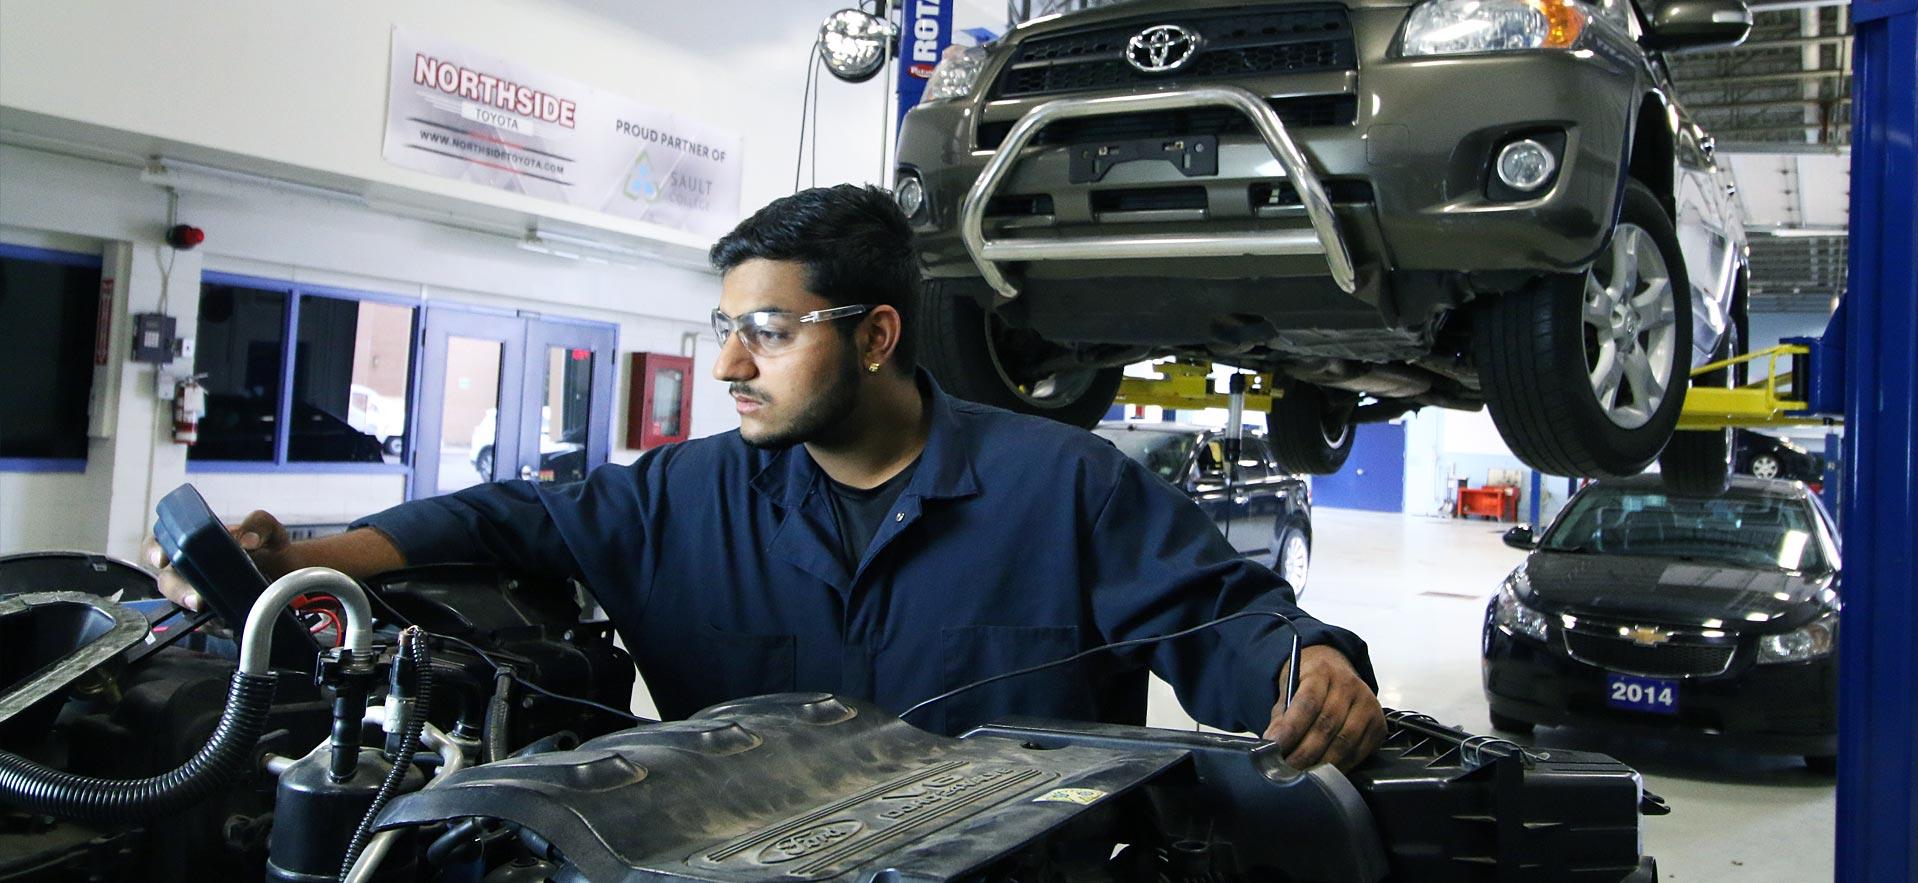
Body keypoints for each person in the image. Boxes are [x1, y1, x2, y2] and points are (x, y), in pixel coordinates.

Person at [151, 184, 1385, 770]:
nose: (731, 362)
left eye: (773, 331)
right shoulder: (680, 494)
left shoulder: (1065, 488)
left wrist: (1309, 663)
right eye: (723, 326)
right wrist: (322, 556)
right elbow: (510, 515)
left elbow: (1223, 616)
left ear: (880, 336)